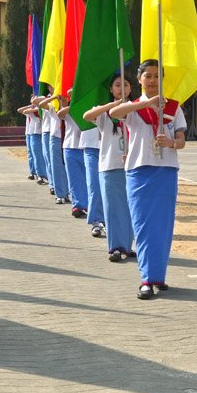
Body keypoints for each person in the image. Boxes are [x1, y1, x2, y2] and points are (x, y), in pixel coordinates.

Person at [110, 60, 186, 300]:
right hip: (139, 171)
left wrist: (171, 143)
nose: (152, 80)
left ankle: (157, 277)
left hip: (166, 171)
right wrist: (146, 103)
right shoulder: (133, 107)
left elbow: (181, 140)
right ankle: (146, 279)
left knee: (163, 227)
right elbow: (114, 113)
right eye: (148, 76)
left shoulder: (173, 107)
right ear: (139, 79)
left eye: (156, 76)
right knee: (142, 227)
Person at [82, 70, 135, 262]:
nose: (122, 89)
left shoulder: (136, 108)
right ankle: (116, 247)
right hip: (110, 165)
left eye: (125, 85)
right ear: (111, 89)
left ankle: (127, 246)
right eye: (117, 85)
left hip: (133, 165)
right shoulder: (105, 112)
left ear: (131, 88)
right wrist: (112, 105)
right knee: (113, 209)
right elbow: (86, 116)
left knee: (130, 208)